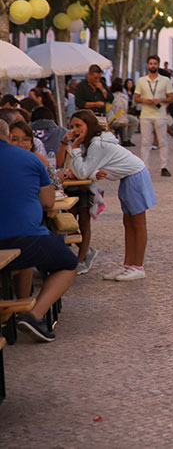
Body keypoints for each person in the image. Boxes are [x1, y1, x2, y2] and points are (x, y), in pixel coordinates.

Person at [0, 119, 78, 342]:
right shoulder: (31, 159)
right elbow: (48, 201)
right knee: (68, 262)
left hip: (15, 242)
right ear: (7, 135)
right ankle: (34, 315)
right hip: (26, 239)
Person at [64, 110, 155, 281]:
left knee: (137, 223)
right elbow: (87, 169)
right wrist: (91, 171)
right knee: (128, 223)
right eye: (72, 126)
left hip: (135, 176)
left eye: (78, 125)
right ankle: (128, 265)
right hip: (128, 178)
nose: (75, 130)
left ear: (89, 125)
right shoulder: (94, 143)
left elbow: (82, 172)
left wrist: (75, 147)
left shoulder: (97, 144)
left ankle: (138, 267)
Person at [134, 55, 173, 177]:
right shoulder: (141, 80)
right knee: (145, 142)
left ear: (158, 65)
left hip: (160, 115)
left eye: (155, 63)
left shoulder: (165, 80)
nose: (153, 65)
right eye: (151, 63)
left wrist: (161, 100)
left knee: (163, 141)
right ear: (147, 65)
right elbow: (136, 98)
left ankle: (164, 167)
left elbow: (172, 98)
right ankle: (144, 167)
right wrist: (144, 100)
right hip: (145, 115)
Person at [108, 77, 138, 146]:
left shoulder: (122, 96)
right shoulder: (113, 96)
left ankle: (127, 139)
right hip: (113, 116)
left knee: (133, 120)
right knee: (125, 120)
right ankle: (125, 140)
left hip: (121, 115)